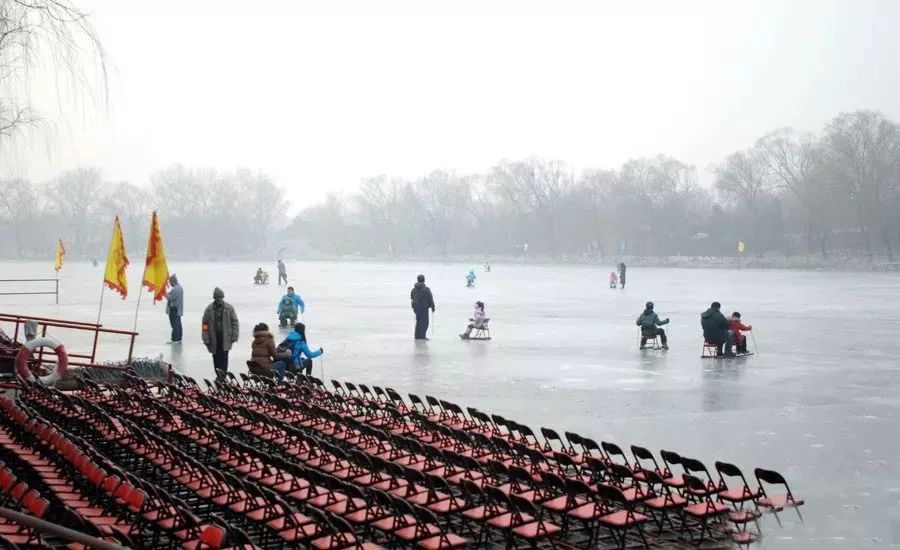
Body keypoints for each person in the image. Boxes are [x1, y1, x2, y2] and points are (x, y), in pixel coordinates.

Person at [202, 287, 240, 375]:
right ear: (214, 298)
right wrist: (206, 338)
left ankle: (223, 375)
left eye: (220, 297)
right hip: (213, 338)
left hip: (226, 337)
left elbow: (235, 322)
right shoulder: (209, 309)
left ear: (223, 297)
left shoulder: (229, 308)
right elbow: (205, 325)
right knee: (215, 357)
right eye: (217, 297)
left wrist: (234, 336)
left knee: (224, 356)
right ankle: (218, 373)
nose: (219, 299)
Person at [410, 274, 435, 340]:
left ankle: (417, 336)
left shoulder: (413, 289)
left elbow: (411, 297)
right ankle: (422, 336)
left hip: (416, 308)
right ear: (424, 280)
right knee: (424, 323)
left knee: (418, 322)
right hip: (424, 308)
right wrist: (433, 307)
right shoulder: (426, 289)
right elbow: (430, 298)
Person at [165, 274, 184, 344]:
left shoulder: (176, 289)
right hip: (176, 308)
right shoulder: (179, 288)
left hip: (174, 309)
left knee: (175, 324)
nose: (169, 284)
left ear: (173, 281)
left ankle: (175, 339)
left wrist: (164, 293)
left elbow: (171, 298)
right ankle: (178, 339)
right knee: (178, 324)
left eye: (170, 282)